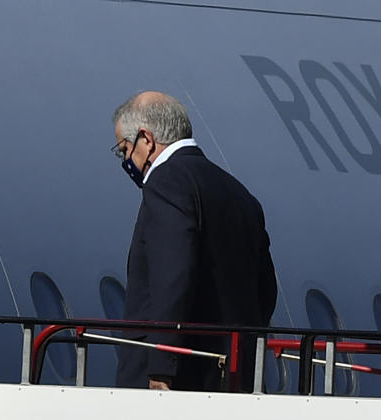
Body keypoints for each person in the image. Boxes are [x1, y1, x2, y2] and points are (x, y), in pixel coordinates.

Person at [111, 91, 276, 392]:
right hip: (234, 377)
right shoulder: (239, 193)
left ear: (146, 140)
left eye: (124, 149)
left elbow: (172, 276)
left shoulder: (166, 182)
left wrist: (161, 366)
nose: (125, 160)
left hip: (179, 381)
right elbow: (266, 292)